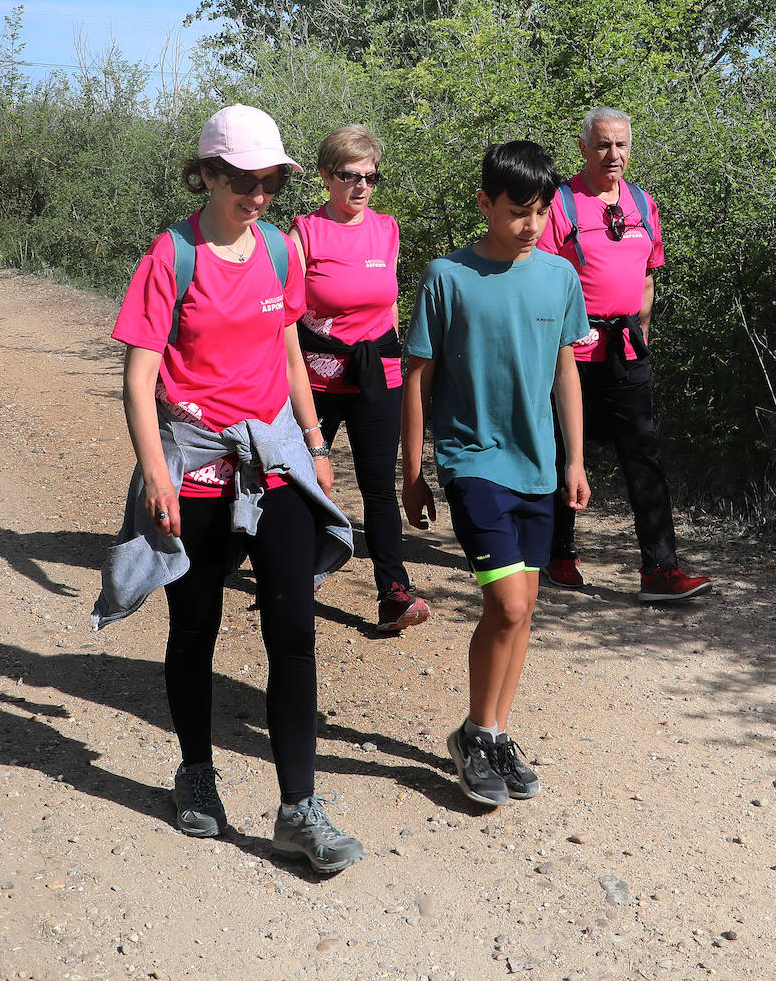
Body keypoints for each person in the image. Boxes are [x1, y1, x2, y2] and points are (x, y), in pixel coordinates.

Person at [94, 104, 365, 875]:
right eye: (241, 181)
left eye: (269, 181)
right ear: (206, 173)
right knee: (196, 626)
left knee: (293, 627)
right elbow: (139, 374)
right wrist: (155, 471)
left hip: (271, 457)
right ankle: (195, 772)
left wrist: (314, 446)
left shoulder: (282, 251)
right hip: (195, 465)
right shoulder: (171, 255)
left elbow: (285, 350)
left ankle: (298, 811)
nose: (256, 195)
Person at [401, 140, 590, 808]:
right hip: (472, 460)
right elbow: (416, 378)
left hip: (538, 464)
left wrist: (573, 457)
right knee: (505, 604)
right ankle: (477, 732)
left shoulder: (559, 278)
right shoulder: (446, 277)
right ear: (484, 204)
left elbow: (565, 367)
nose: (530, 225)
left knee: (524, 610)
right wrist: (412, 471)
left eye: (539, 212)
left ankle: (491, 733)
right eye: (516, 211)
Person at [536, 108, 711, 603]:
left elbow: (649, 278)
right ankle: (558, 553)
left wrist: (644, 338)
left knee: (644, 455)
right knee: (562, 451)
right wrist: (553, 344)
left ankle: (660, 570)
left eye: (621, 145)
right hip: (572, 350)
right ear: (583, 147)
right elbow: (542, 278)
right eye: (603, 145)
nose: (613, 155)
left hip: (627, 348)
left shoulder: (641, 201)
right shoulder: (562, 203)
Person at [291, 125, 429, 633]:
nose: (361, 186)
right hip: (318, 380)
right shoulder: (303, 233)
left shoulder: (387, 229)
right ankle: (297, 570)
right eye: (350, 176)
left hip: (377, 376)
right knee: (302, 483)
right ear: (327, 176)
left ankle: (393, 591)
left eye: (370, 177)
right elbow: (287, 317)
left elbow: (388, 305)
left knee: (378, 488)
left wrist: (384, 357)